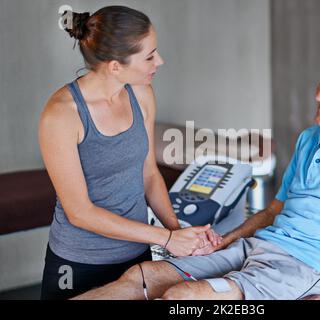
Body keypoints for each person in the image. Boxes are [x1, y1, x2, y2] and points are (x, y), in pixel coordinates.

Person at [73, 47, 320, 300]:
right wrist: (228, 238)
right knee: (143, 276)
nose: (318, 96)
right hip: (262, 244)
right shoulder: (311, 137)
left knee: (184, 299)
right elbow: (274, 210)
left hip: (309, 267)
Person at [38, 6, 221, 300]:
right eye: (149, 56)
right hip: (78, 263)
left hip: (137, 256)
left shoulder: (141, 94)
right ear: (114, 66)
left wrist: (183, 237)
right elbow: (80, 212)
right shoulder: (61, 115)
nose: (159, 61)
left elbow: (149, 174)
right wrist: (168, 238)